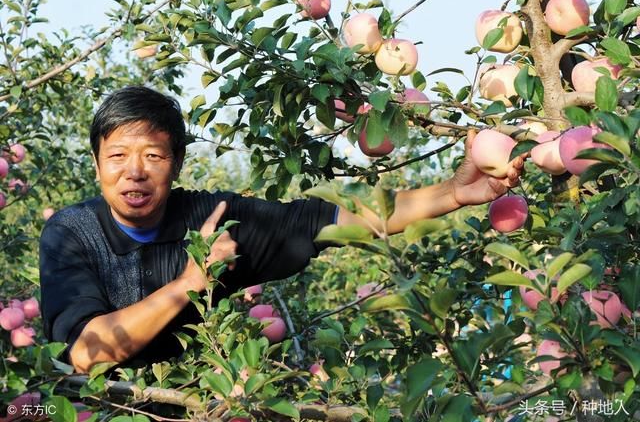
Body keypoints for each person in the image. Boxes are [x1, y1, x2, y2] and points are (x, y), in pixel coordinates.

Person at [39, 86, 524, 373]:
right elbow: (87, 353)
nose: (134, 172)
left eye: (153, 156)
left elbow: (331, 219)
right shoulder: (72, 233)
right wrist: (191, 283)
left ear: (178, 163)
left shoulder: (212, 218)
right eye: (118, 156)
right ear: (97, 163)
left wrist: (453, 194)